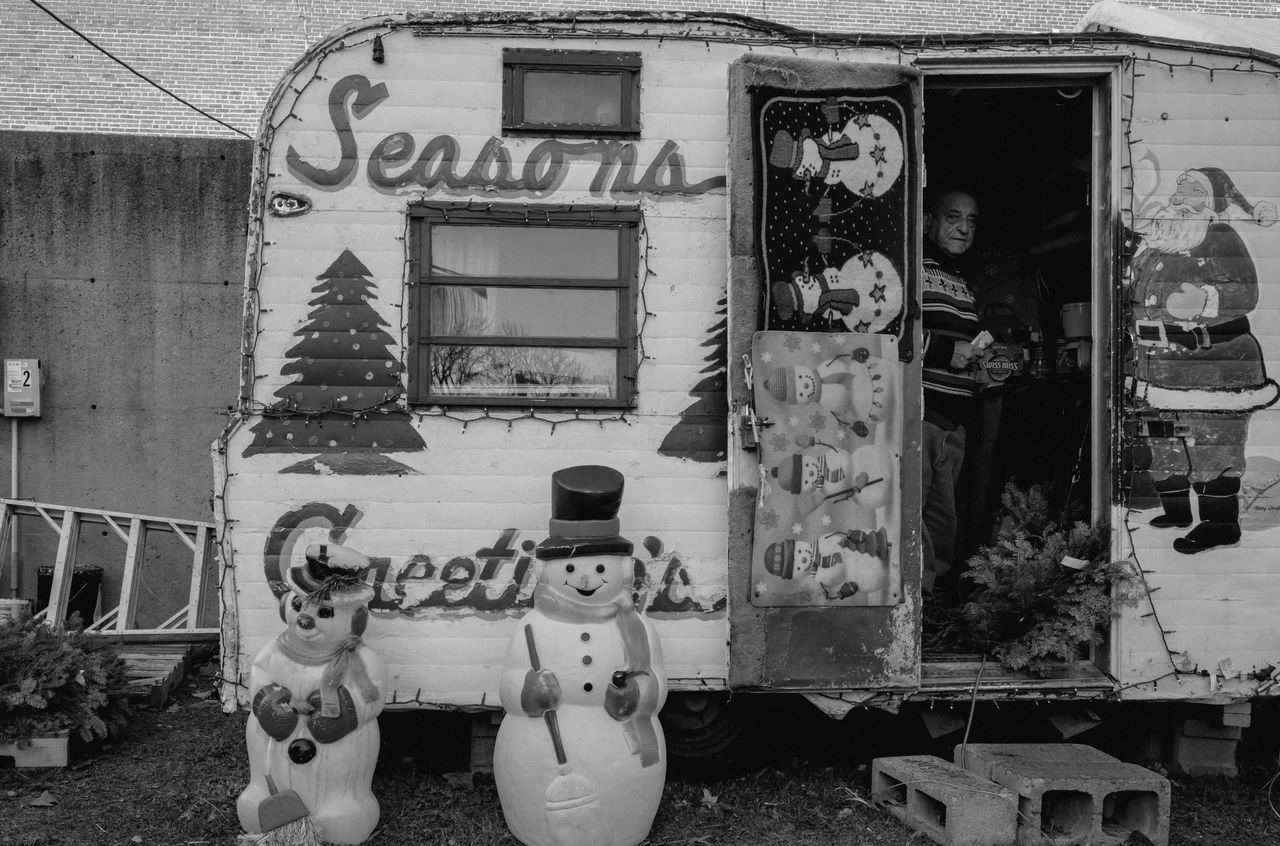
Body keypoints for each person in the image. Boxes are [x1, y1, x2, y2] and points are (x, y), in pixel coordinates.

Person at [1130, 167, 1278, 553]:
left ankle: (1219, 524)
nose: (1181, 194)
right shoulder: (1159, 242)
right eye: (1181, 186)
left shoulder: (1218, 236)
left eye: (1194, 189)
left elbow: (1245, 291)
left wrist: (1206, 300)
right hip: (1159, 369)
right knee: (1165, 444)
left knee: (1212, 447)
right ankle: (1177, 509)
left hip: (1214, 367)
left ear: (1211, 204)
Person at [921, 189, 982, 597]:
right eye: (953, 217)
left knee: (943, 521)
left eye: (972, 221)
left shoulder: (962, 282)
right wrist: (945, 351)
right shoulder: (910, 268)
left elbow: (968, 344)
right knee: (916, 516)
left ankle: (932, 605)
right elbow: (888, 327)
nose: (963, 228)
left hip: (954, 421)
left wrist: (989, 361)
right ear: (930, 221)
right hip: (920, 413)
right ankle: (916, 606)